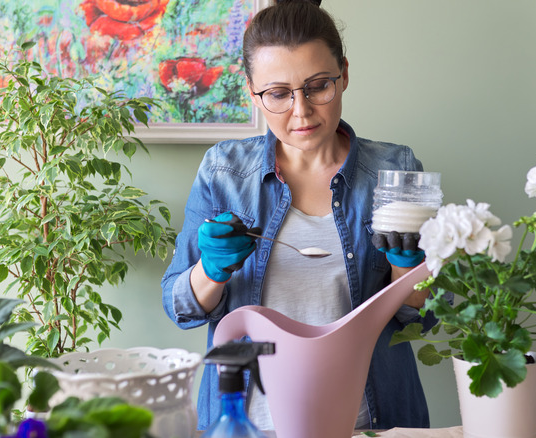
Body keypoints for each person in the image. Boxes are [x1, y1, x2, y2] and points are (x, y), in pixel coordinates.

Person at [161, 0, 438, 431]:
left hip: (367, 419)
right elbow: (180, 306)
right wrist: (211, 270)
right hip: (248, 422)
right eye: (278, 93)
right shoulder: (224, 170)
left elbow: (423, 317)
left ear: (344, 73)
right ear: (252, 89)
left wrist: (409, 270)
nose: (302, 110)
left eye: (318, 86)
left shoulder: (395, 171)